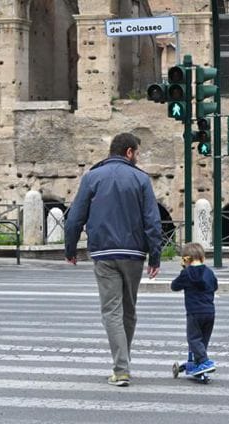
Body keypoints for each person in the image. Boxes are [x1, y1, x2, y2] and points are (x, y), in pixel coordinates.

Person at [64, 132, 163, 387]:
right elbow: (153, 221)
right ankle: (123, 364)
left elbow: (75, 217)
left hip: (104, 252)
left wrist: (70, 249)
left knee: (111, 311)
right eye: (137, 153)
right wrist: (155, 256)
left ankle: (121, 368)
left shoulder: (92, 177)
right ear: (129, 152)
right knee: (128, 310)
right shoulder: (141, 179)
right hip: (134, 253)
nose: (137, 157)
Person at [170, 242, 219, 375]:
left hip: (194, 312)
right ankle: (198, 362)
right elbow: (215, 286)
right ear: (202, 258)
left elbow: (174, 286)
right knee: (202, 340)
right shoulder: (209, 272)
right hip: (210, 312)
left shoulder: (187, 274)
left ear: (186, 259)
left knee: (193, 339)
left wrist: (183, 270)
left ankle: (204, 361)